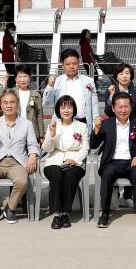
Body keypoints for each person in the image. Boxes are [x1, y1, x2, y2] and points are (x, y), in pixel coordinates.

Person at [92, 92, 136, 229]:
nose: (123, 110)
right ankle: (105, 213)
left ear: (131, 107)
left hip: (131, 162)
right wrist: (96, 129)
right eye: (120, 107)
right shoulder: (106, 124)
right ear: (113, 108)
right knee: (107, 174)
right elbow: (93, 145)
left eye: (126, 106)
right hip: (112, 162)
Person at [0, 90, 40, 225]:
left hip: (16, 162)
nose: (9, 105)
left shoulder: (27, 124)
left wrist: (32, 155)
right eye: (5, 103)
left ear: (17, 104)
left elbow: (32, 144)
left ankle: (10, 208)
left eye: (12, 102)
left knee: (22, 182)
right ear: (1, 105)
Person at [42, 95, 89, 229]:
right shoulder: (53, 125)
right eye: (63, 108)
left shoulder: (82, 126)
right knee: (57, 175)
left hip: (75, 162)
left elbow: (85, 148)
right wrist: (51, 134)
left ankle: (65, 213)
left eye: (69, 107)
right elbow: (47, 148)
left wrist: (76, 160)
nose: (66, 110)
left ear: (74, 109)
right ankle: (57, 214)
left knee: (70, 175)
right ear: (58, 110)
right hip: (54, 161)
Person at [44, 49, 98, 135]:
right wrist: (50, 86)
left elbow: (94, 104)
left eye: (74, 63)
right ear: (62, 65)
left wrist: (96, 122)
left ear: (79, 63)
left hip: (83, 123)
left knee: (84, 144)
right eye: (68, 64)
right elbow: (47, 103)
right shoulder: (57, 81)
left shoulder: (88, 81)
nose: (72, 66)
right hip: (62, 123)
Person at [9, 65, 44, 140]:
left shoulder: (36, 95)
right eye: (19, 77)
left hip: (32, 131)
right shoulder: (11, 93)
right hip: (14, 131)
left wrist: (41, 135)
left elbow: (39, 115)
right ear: (15, 79)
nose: (22, 79)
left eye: (25, 76)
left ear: (30, 77)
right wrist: (3, 84)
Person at [1, 23, 18, 89]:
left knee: (11, 72)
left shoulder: (8, 36)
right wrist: (17, 56)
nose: (14, 31)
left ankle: (11, 86)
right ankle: (11, 86)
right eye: (13, 29)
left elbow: (12, 45)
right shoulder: (7, 36)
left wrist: (16, 44)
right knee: (11, 73)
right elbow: (11, 47)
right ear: (9, 28)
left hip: (8, 57)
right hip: (8, 58)